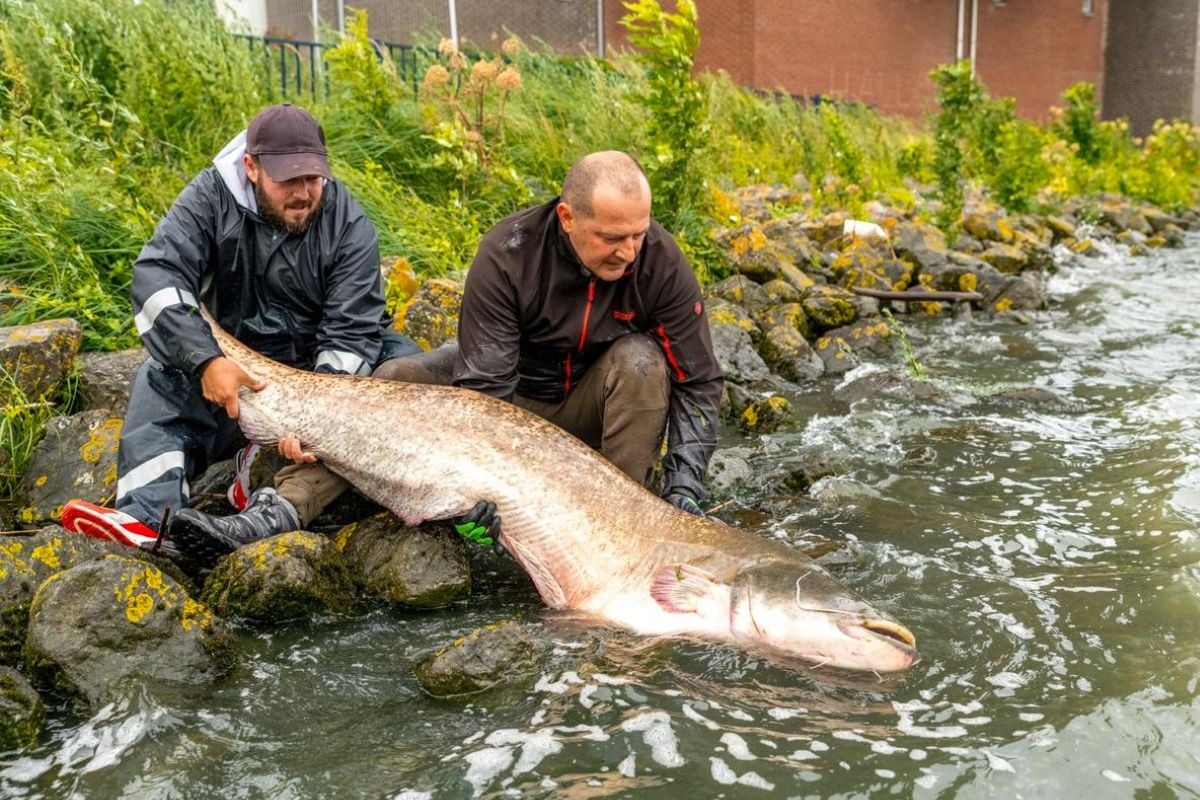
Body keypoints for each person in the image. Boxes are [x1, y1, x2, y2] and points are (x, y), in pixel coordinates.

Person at [60, 103, 497, 565]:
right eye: (288, 180)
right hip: (233, 363)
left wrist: (314, 422)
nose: (304, 193)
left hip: (321, 364)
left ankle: (279, 479)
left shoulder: (349, 223)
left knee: (405, 375)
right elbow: (157, 277)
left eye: (313, 178)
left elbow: (351, 330)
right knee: (159, 377)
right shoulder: (207, 199)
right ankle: (155, 524)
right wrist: (205, 360)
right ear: (251, 167)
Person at [450, 150, 723, 526]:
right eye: (611, 237)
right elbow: (485, 394)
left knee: (641, 360)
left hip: (595, 408)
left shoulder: (661, 262)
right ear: (567, 217)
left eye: (638, 235)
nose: (628, 253)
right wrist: (482, 488)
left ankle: (624, 518)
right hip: (518, 399)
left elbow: (698, 381)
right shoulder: (509, 255)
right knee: (399, 375)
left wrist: (683, 488)